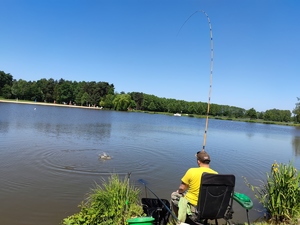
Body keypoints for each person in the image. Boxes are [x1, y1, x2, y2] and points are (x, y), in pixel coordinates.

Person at [167, 150, 218, 225]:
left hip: (193, 207)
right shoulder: (216, 174)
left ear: (198, 161)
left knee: (174, 195)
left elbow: (182, 188)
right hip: (209, 208)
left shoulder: (192, 171)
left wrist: (179, 192)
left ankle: (180, 221)